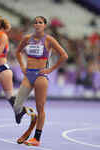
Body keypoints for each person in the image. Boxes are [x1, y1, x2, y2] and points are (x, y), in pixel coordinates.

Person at [13, 16, 68, 146]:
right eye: (36, 22)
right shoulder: (27, 39)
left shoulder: (49, 40)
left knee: (40, 108)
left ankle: (37, 138)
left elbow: (64, 55)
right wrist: (22, 66)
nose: (37, 24)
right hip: (28, 74)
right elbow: (17, 52)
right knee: (16, 106)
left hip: (41, 76)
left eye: (40, 22)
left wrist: (50, 70)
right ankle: (30, 115)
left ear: (44, 25)